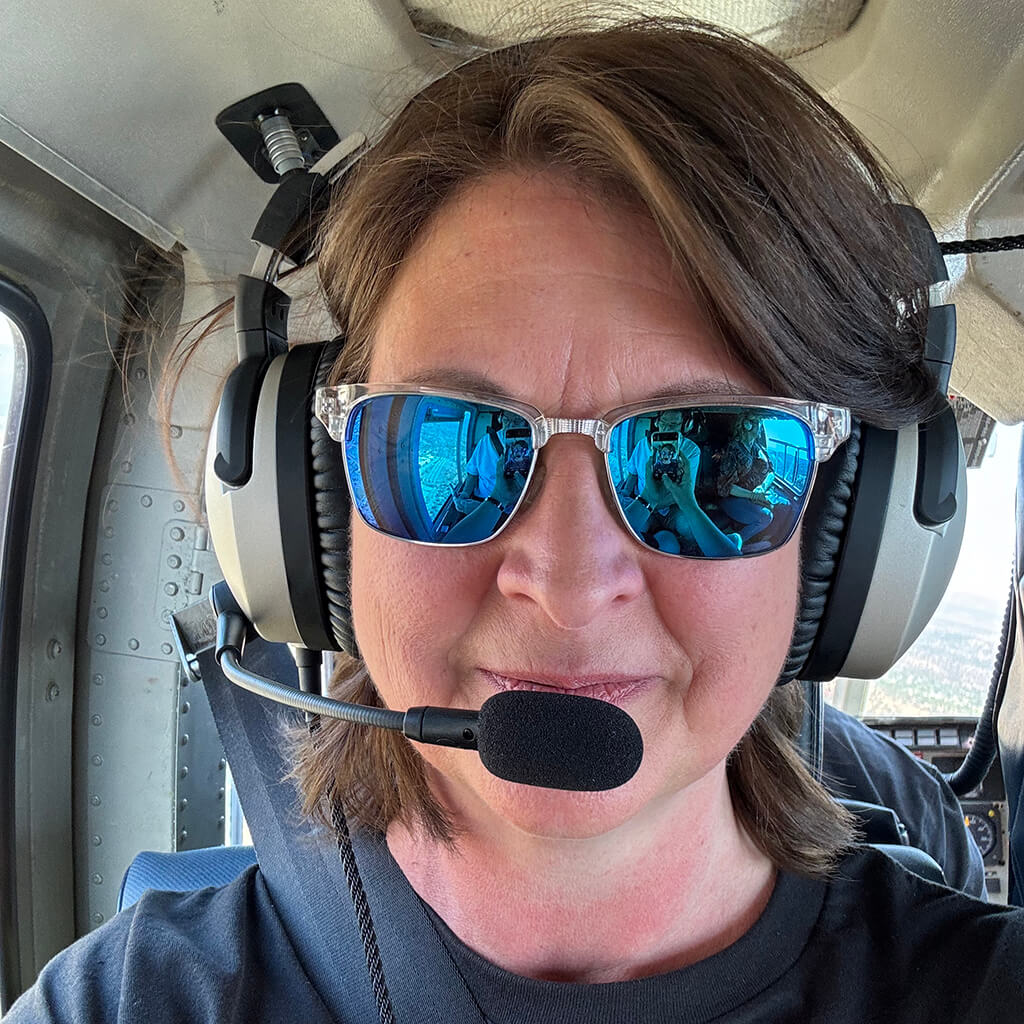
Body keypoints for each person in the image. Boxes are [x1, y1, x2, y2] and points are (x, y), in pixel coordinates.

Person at [9, 16, 1024, 1022]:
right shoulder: (128, 1003)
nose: (569, 581)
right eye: (447, 444)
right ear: (310, 501)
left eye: (715, 456)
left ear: (849, 536)